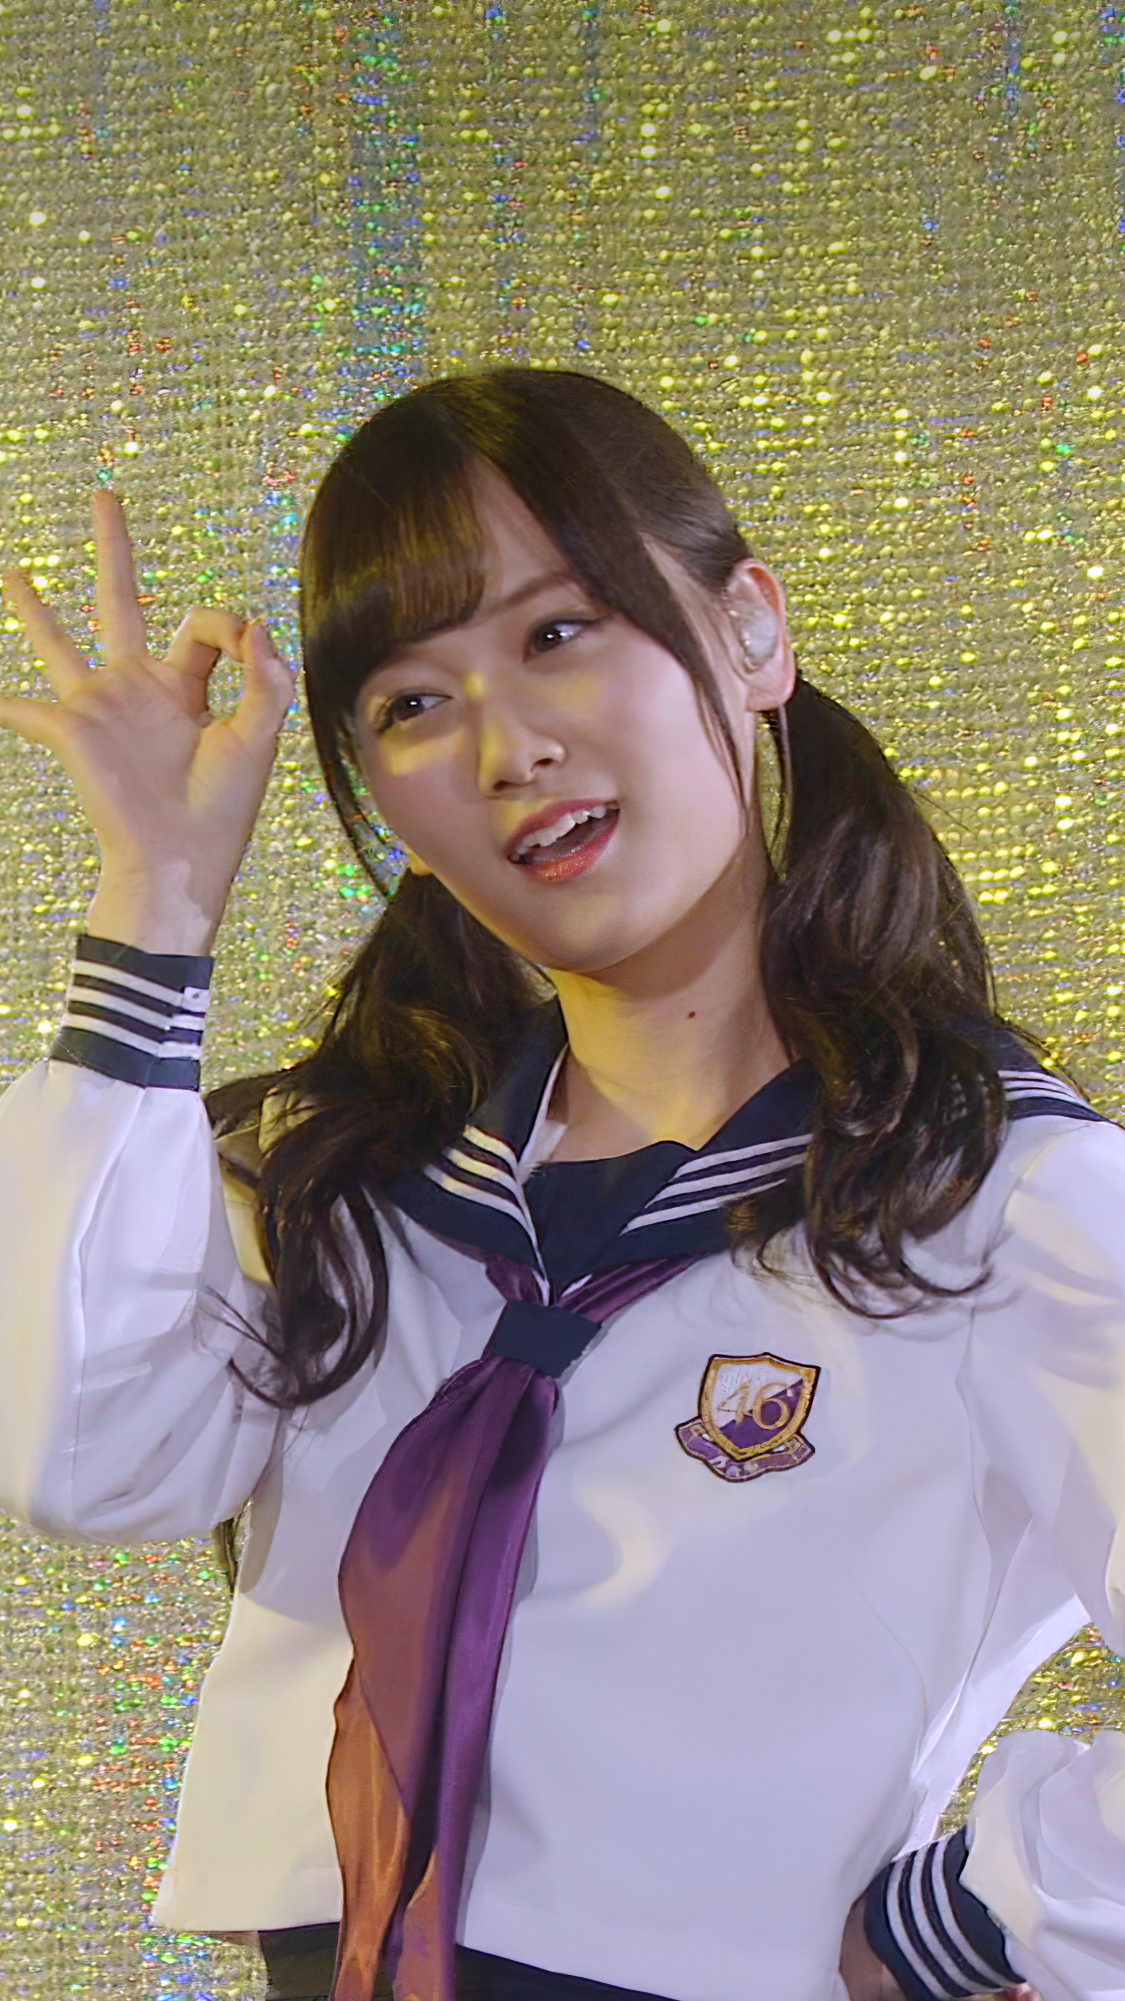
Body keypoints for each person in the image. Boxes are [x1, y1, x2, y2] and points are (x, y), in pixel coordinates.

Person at [0, 366, 1120, 2001]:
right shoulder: (353, 1180)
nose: (506, 743)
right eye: (408, 704)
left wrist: (985, 1916)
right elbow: (78, 1459)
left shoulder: (994, 1198)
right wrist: (152, 901)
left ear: (749, 633)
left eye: (558, 631)